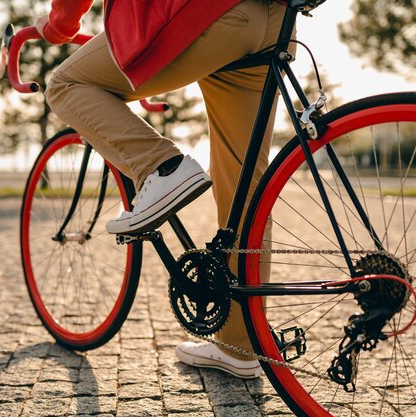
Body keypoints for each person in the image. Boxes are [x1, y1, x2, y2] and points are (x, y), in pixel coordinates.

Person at [35, 0, 290, 379]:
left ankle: (161, 165)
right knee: (245, 188)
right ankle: (240, 344)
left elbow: (69, 15)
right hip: (275, 19)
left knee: (67, 83)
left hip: (207, 13)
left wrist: (58, 26)